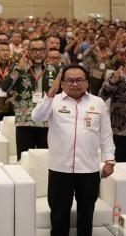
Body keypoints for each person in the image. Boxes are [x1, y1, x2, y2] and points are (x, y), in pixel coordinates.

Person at [32, 63, 115, 236]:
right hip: (60, 170)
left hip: (89, 170)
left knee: (86, 217)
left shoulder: (98, 103)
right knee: (59, 218)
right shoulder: (53, 101)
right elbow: (36, 117)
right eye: (70, 80)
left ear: (87, 82)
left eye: (79, 80)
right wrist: (50, 94)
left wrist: (110, 160)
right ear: (62, 83)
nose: (75, 84)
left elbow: (106, 133)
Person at [1, 38, 58, 160]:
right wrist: (17, 70)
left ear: (46, 51)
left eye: (41, 50)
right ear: (28, 51)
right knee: (23, 159)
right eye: (34, 50)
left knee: (46, 160)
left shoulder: (54, 70)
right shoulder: (19, 68)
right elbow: (4, 88)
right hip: (24, 121)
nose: (38, 53)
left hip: (47, 122)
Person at [99, 63, 126, 162]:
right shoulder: (115, 76)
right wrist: (112, 82)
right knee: (119, 165)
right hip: (119, 130)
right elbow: (101, 97)